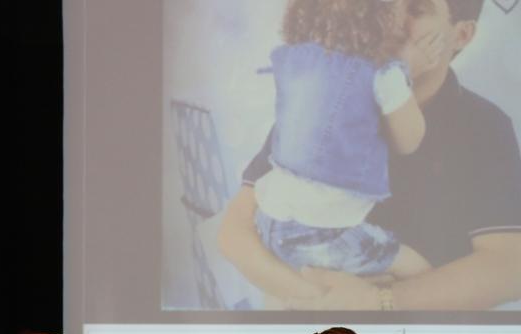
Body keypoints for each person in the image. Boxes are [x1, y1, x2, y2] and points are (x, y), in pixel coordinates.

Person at [219, 0, 521, 311]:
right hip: (309, 325)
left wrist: (378, 302)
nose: (394, 19)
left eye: (417, 10)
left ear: (461, 35)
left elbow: (509, 267)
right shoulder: (326, 95)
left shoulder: (484, 126)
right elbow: (235, 231)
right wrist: (320, 299)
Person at [253, 0, 437, 279]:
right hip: (321, 232)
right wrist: (407, 69)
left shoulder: (294, 57)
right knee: (421, 272)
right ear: (383, 12)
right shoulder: (383, 72)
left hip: (269, 219)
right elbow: (409, 141)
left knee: (366, 277)